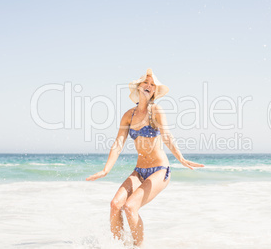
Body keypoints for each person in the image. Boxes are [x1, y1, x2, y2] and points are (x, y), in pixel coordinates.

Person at [86, 69, 204, 246]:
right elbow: (118, 143)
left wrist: (181, 158)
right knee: (115, 205)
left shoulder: (156, 111)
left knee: (130, 206)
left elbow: (167, 136)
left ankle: (138, 246)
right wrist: (105, 170)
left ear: (154, 91)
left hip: (159, 170)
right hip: (139, 171)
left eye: (152, 85)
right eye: (146, 82)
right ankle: (119, 245)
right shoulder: (128, 115)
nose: (149, 86)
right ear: (139, 86)